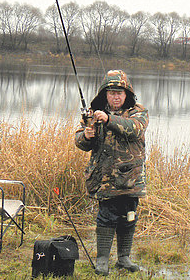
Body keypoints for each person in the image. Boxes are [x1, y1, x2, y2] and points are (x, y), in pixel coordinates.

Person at [75, 70, 149, 276]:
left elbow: (134, 129)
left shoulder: (138, 112)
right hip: (104, 178)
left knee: (129, 216)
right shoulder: (94, 112)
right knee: (106, 217)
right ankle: (102, 261)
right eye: (111, 93)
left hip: (130, 179)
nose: (116, 96)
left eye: (120, 93)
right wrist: (87, 136)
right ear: (105, 94)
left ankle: (124, 259)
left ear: (127, 95)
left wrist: (108, 119)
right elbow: (80, 141)